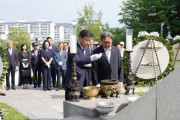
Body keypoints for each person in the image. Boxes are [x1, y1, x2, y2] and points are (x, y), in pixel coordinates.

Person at [65, 29, 102, 100]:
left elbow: (88, 65)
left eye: (90, 40)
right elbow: (77, 61)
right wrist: (91, 58)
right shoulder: (73, 48)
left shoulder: (88, 49)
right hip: (74, 82)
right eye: (86, 40)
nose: (88, 43)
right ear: (80, 38)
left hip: (85, 82)